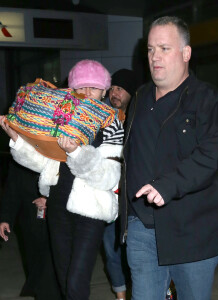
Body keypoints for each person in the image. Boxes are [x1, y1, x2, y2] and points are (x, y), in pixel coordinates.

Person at [120, 16, 218, 300]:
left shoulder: (209, 100)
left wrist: (168, 184)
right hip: (142, 228)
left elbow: (212, 154)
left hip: (192, 231)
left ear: (186, 53)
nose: (154, 57)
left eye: (164, 48)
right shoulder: (140, 97)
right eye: (150, 49)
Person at [0, 59, 124, 300]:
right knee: (64, 279)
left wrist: (77, 152)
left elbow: (109, 176)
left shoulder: (111, 123)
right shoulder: (63, 117)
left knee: (76, 281)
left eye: (94, 88)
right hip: (57, 207)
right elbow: (43, 163)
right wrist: (16, 139)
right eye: (82, 87)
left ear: (104, 91)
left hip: (91, 213)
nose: (87, 93)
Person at [0, 160, 62, 300]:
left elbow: (71, 180)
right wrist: (5, 218)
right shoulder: (20, 153)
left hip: (59, 220)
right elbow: (12, 188)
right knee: (37, 267)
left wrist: (49, 199)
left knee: (53, 271)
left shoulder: (56, 146)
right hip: (30, 220)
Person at [103, 68, 137, 300]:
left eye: (120, 89)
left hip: (134, 196)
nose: (115, 93)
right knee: (111, 248)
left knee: (134, 251)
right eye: (112, 88)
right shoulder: (102, 118)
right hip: (106, 195)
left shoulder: (139, 117)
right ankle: (121, 296)